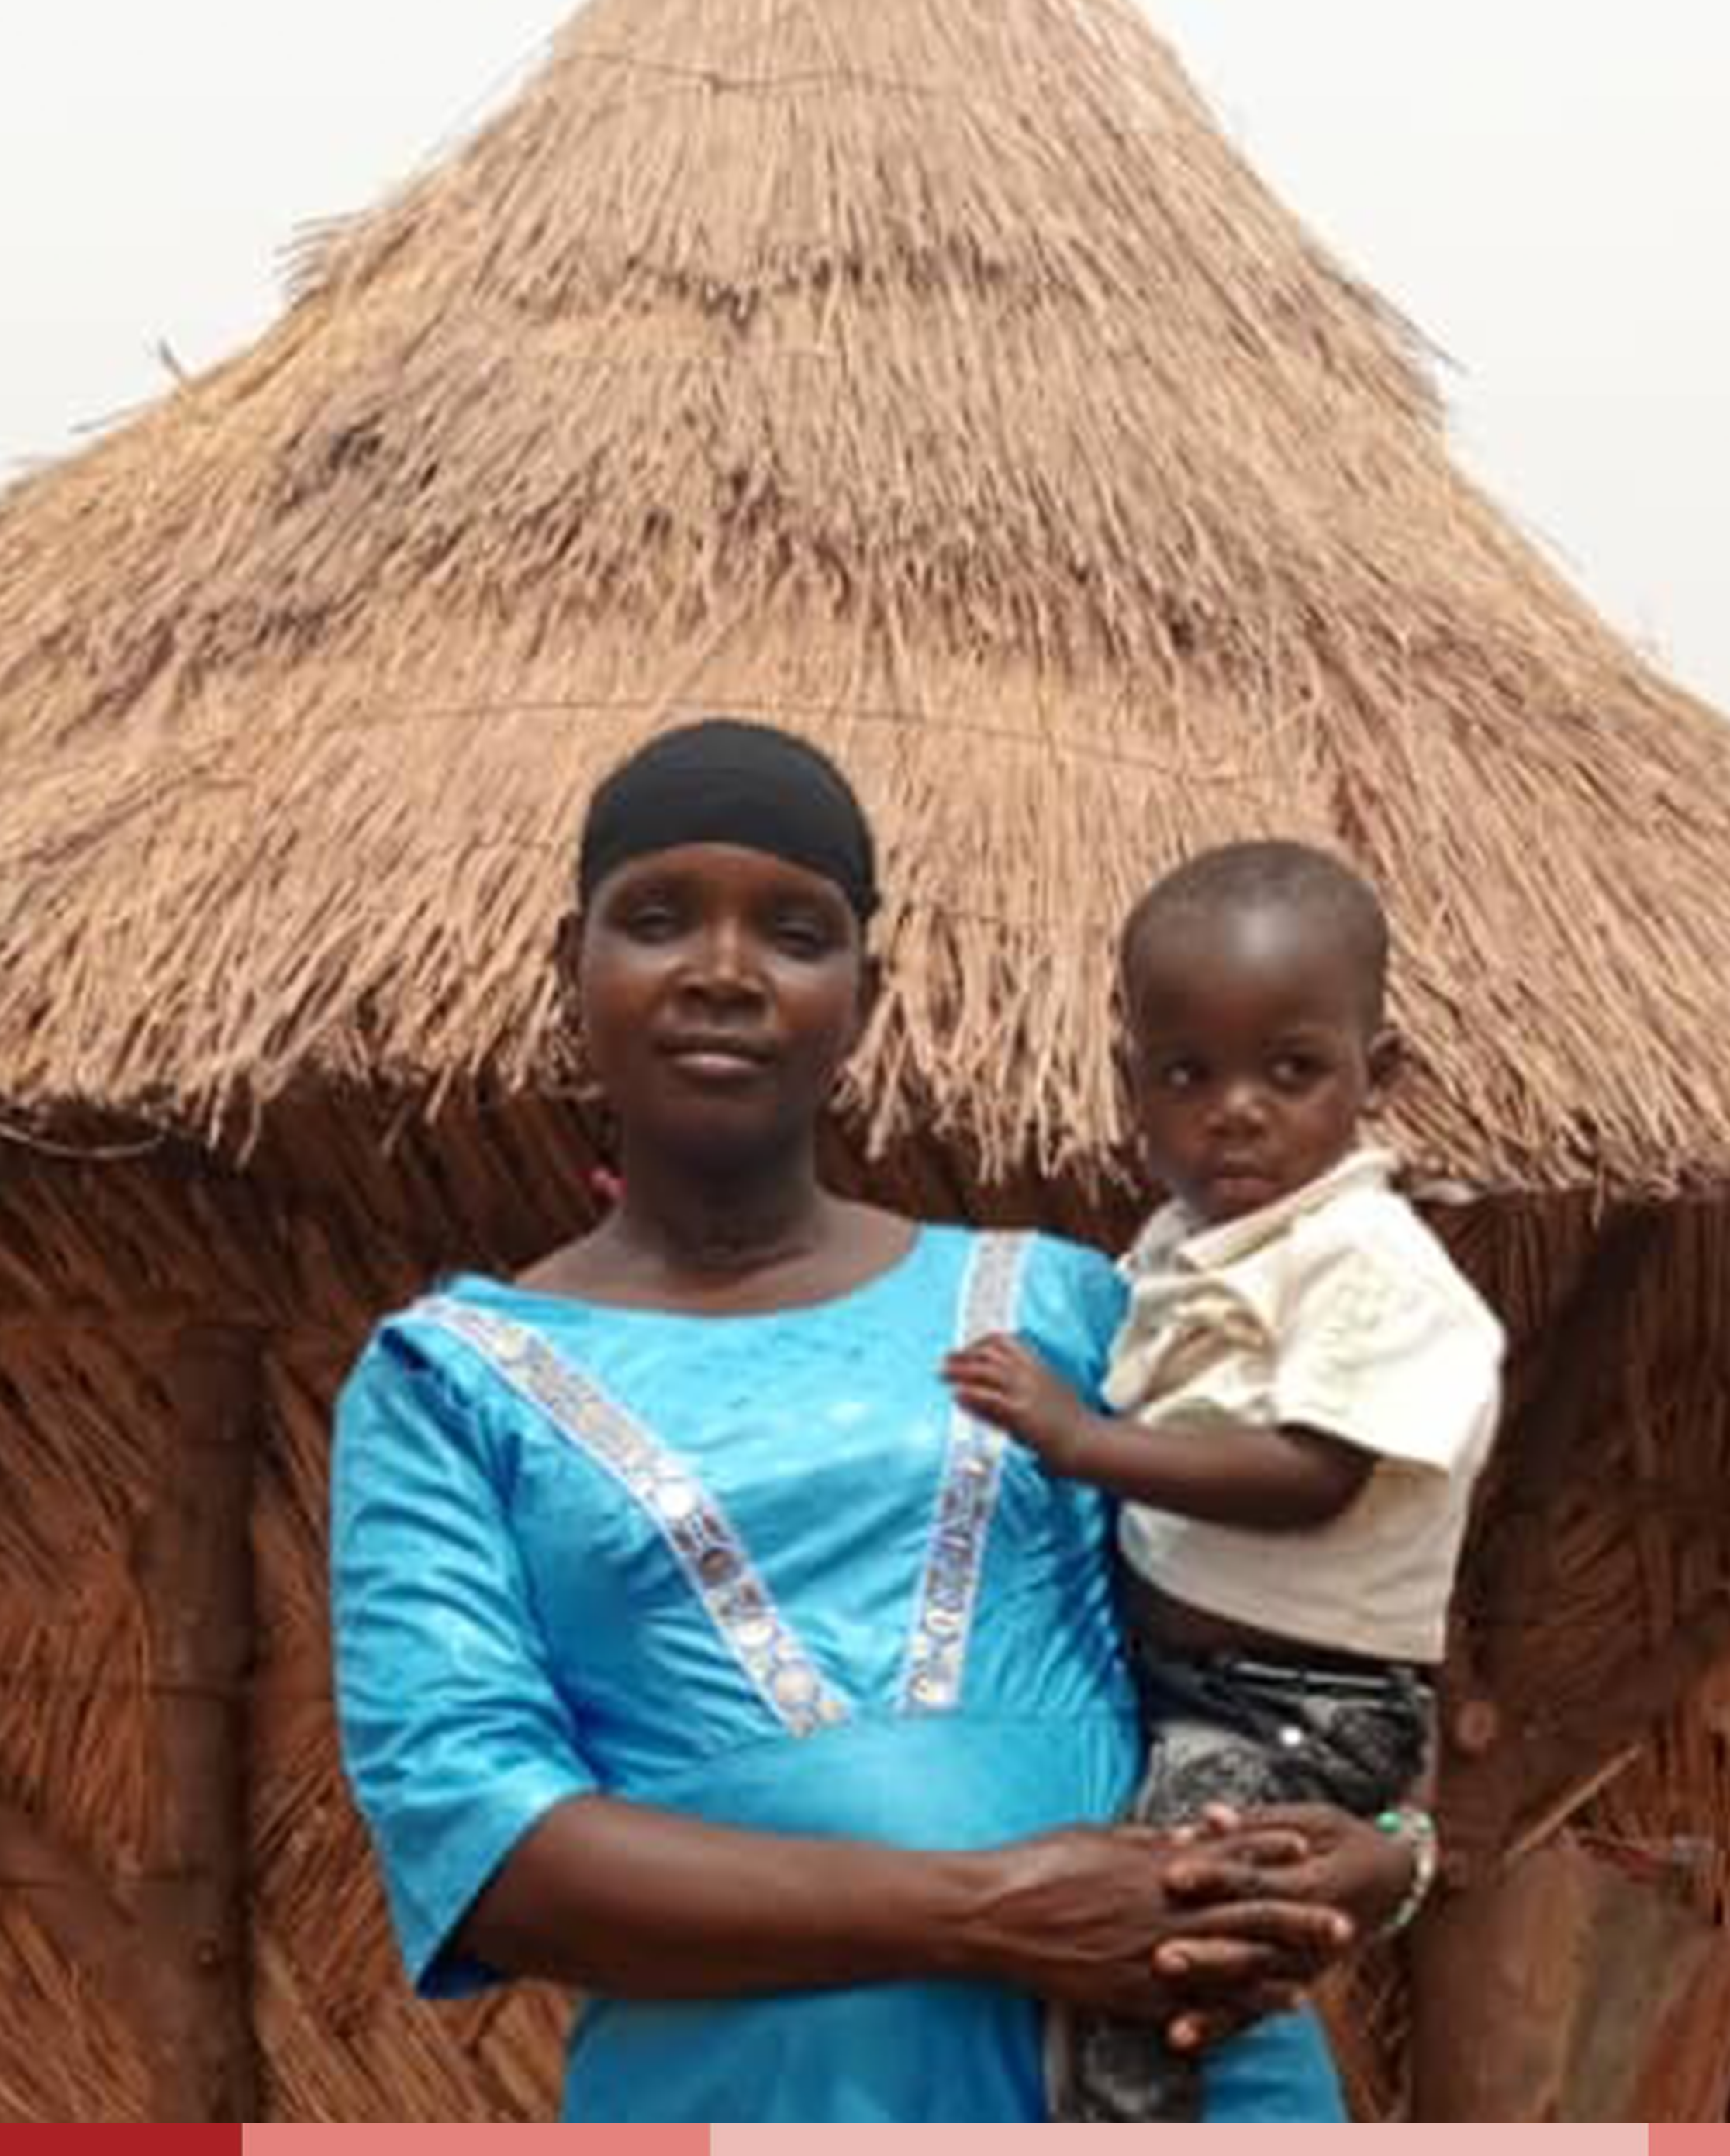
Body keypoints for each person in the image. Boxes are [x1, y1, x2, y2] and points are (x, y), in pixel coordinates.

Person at [329, 722, 1410, 2123]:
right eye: (657, 920)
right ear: (569, 971)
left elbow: (1295, 1624)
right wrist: (983, 1914)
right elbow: (488, 1851)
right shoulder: (452, 1383)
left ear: (864, 992)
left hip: (1181, 2093)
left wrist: (1392, 1852)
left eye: (795, 932)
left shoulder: (1064, 1305)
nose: (723, 973)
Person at [943, 838, 1507, 2123]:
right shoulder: (1188, 1244)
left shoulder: (1368, 1262)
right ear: (1128, 1084)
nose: (1236, 1109)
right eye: (1189, 1074)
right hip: (1193, 1689)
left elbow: (1313, 1475)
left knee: (1166, 1949)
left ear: (1381, 1075)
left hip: (1296, 1707)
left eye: (1291, 1071)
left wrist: (1079, 1443)